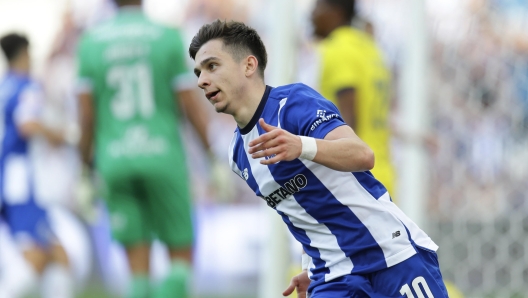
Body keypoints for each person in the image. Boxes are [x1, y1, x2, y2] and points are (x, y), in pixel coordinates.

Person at [189, 20, 448, 298]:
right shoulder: (238, 156)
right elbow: (302, 211)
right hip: (333, 277)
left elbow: (362, 154)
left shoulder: (295, 104)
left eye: (212, 66)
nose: (202, 80)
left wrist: (301, 145)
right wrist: (310, 266)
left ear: (249, 66)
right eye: (198, 72)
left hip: (391, 256)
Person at [76, 0, 215, 297]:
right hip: (162, 157)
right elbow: (188, 104)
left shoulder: (90, 42)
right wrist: (212, 156)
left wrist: (84, 171)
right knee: (180, 261)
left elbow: (86, 116)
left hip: (114, 159)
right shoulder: (165, 36)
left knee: (137, 273)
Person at [0, 33, 74, 298]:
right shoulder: (26, 86)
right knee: (36, 257)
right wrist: (64, 135)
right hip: (21, 181)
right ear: (24, 54)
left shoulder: (4, 86)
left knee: (59, 254)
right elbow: (28, 124)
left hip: (8, 177)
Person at [311, 0, 397, 199]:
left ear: (336, 12)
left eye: (317, 7)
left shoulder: (338, 49)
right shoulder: (370, 48)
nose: (312, 15)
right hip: (382, 173)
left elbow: (349, 118)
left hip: (356, 181)